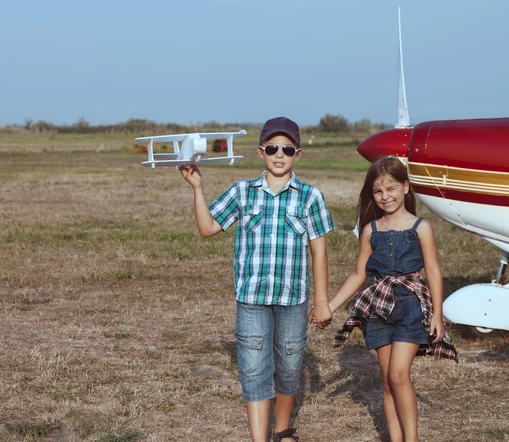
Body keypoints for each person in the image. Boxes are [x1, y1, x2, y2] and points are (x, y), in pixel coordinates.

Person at [180, 117, 335, 442]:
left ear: (298, 155)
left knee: (290, 366)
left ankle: (282, 430)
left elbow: (319, 252)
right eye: (272, 148)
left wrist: (321, 301)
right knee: (253, 368)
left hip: (293, 299)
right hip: (251, 298)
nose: (280, 155)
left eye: (287, 149)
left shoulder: (310, 197)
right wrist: (197, 188)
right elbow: (208, 228)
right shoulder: (241, 191)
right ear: (261, 152)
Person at [316, 156, 457, 442]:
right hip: (378, 309)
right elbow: (358, 274)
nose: (385, 196)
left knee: (398, 374)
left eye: (391, 189)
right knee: (386, 380)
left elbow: (433, 271)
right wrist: (329, 306)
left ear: (405, 187)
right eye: (378, 191)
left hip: (410, 308)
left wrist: (437, 315)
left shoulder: (421, 228)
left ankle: (412, 438)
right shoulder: (371, 230)